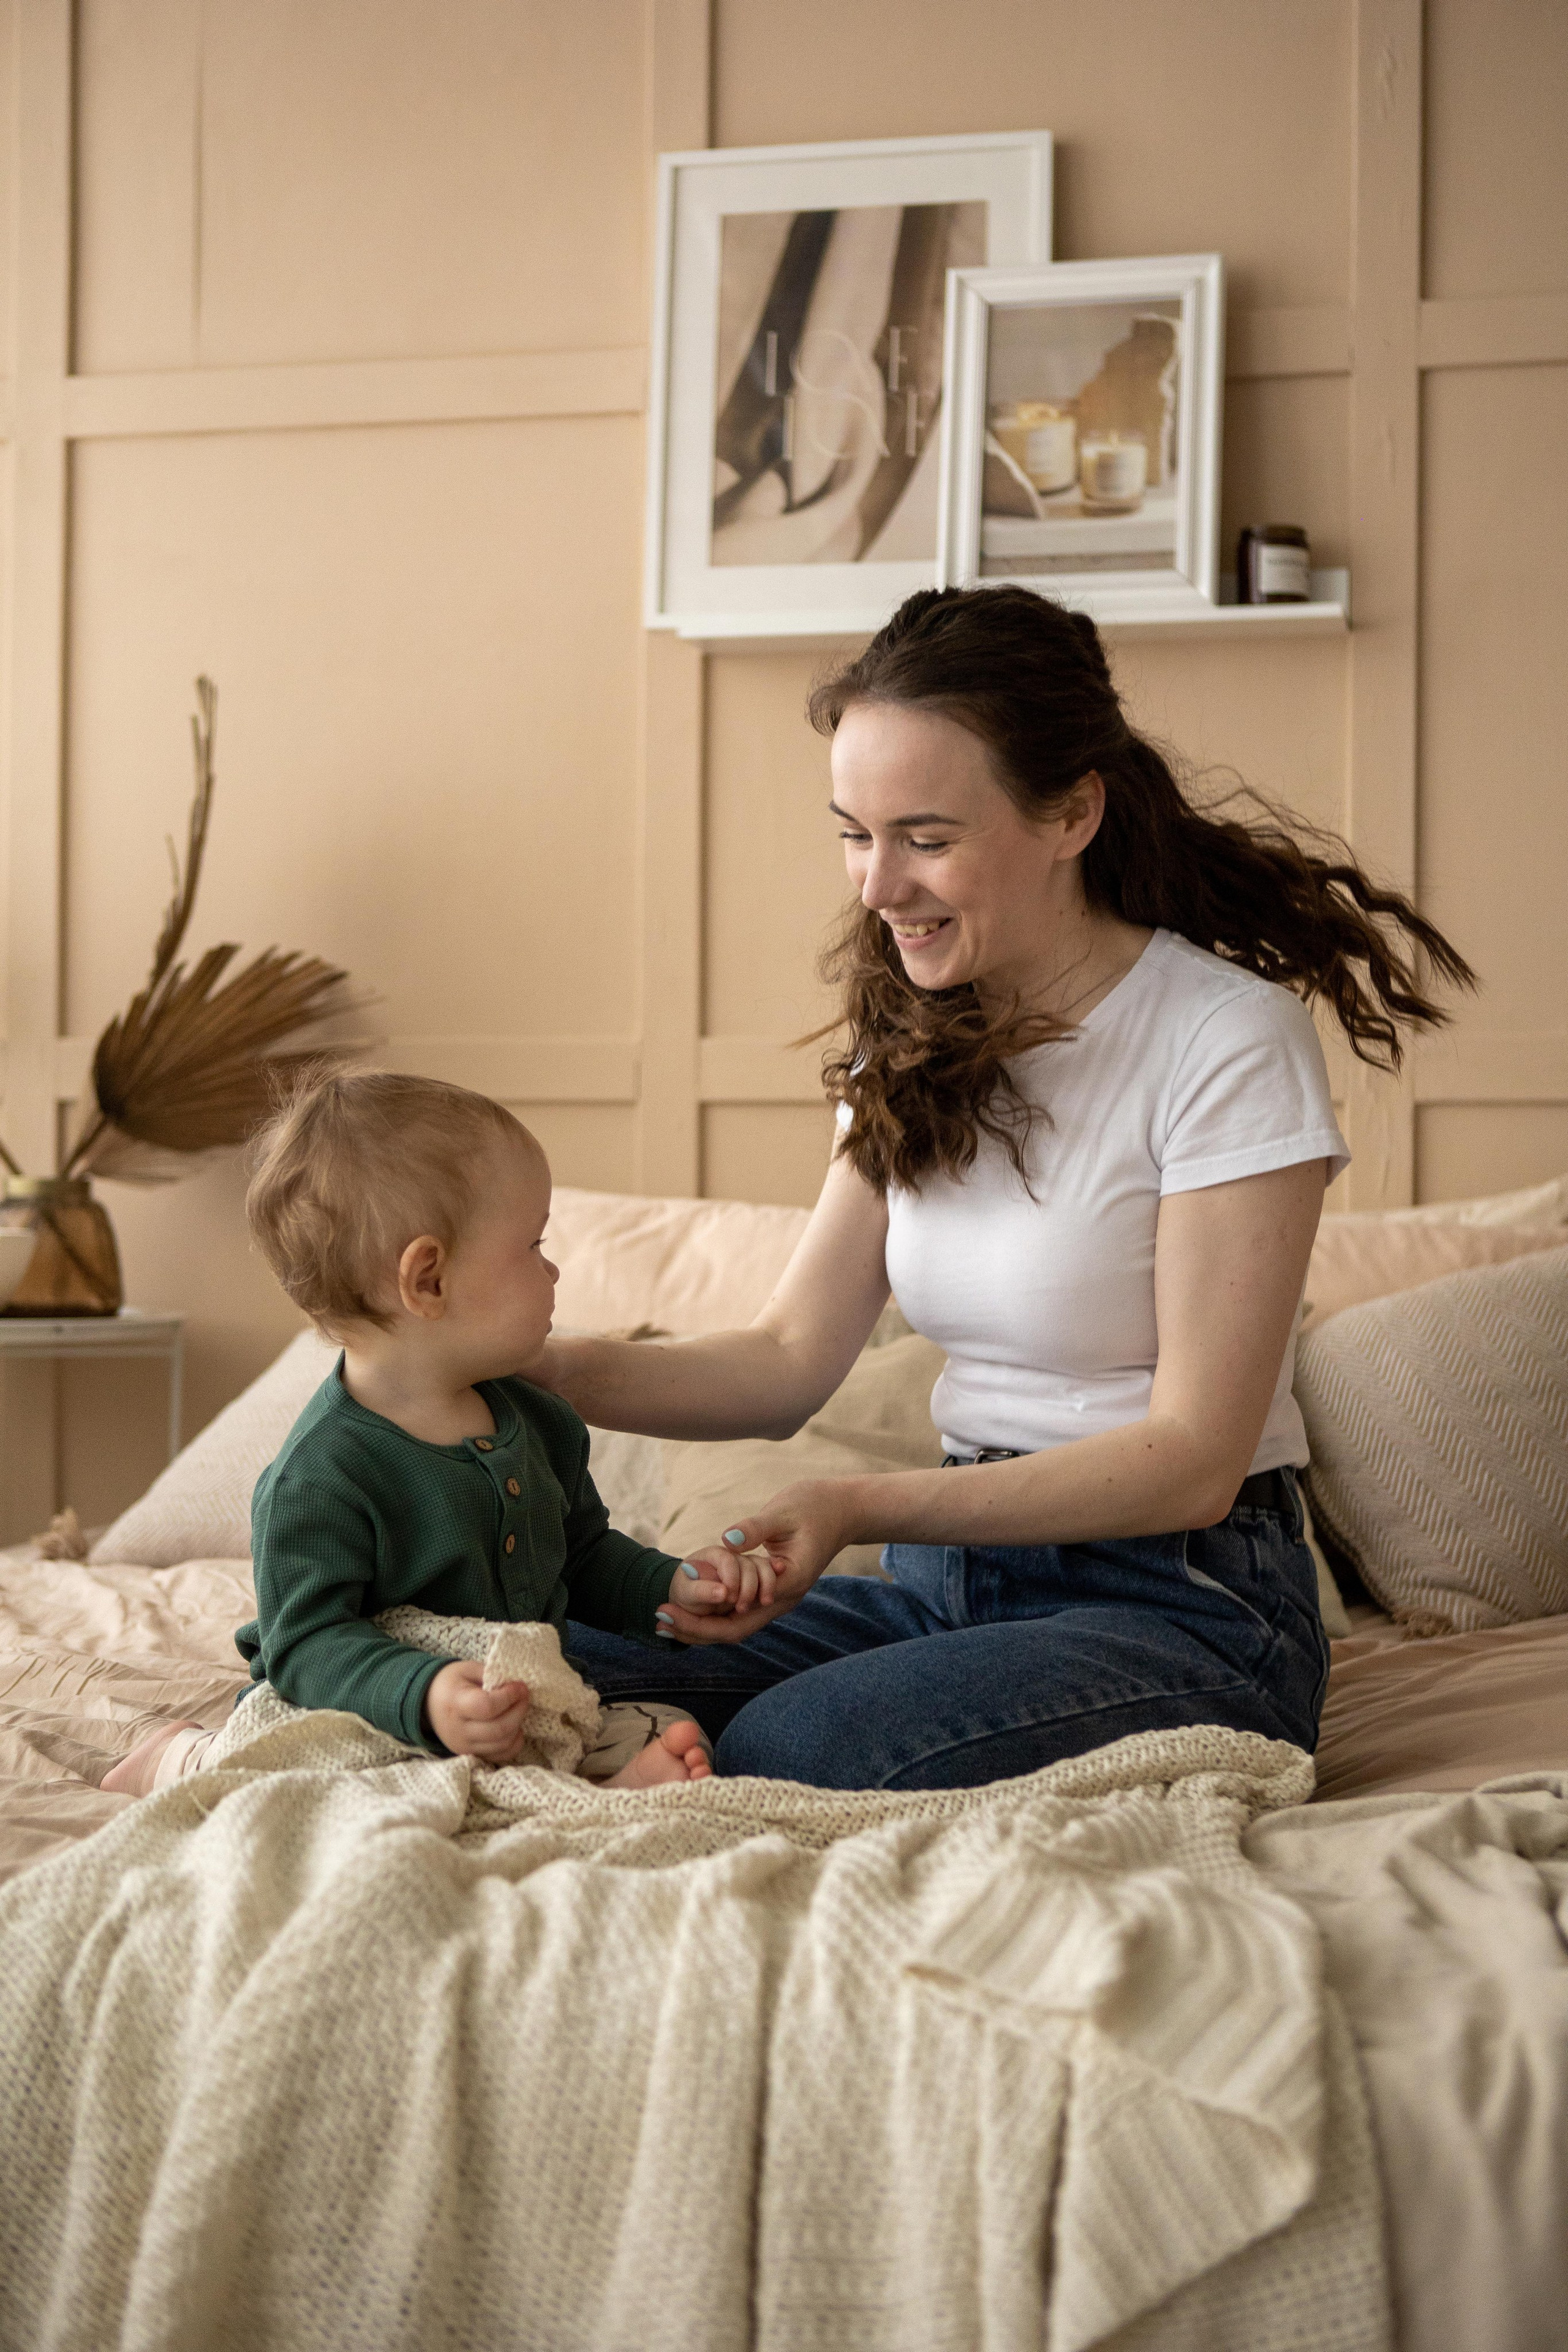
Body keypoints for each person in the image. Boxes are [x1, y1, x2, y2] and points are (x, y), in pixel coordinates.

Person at [532, 585, 1474, 1792]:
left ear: (1071, 811)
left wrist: (856, 1504)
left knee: (797, 1745)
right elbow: (785, 1358)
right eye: (853, 833)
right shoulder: (907, 1038)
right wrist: (546, 1367)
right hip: (949, 1594)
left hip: (1183, 1607)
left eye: (925, 838)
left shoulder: (1223, 1039)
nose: (876, 886)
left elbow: (1193, 1457)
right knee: (527, 1653)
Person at [103, 1073, 761, 1798]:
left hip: (508, 1706)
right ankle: (180, 1758)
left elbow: (580, 1556)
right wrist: (426, 1695)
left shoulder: (538, 1420)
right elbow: (307, 1646)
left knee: (649, 1722)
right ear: (429, 1280)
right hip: (366, 1711)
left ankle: (569, 1780)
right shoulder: (320, 1477)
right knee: (308, 1765)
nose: (553, 1269)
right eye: (533, 1244)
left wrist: (667, 1587)